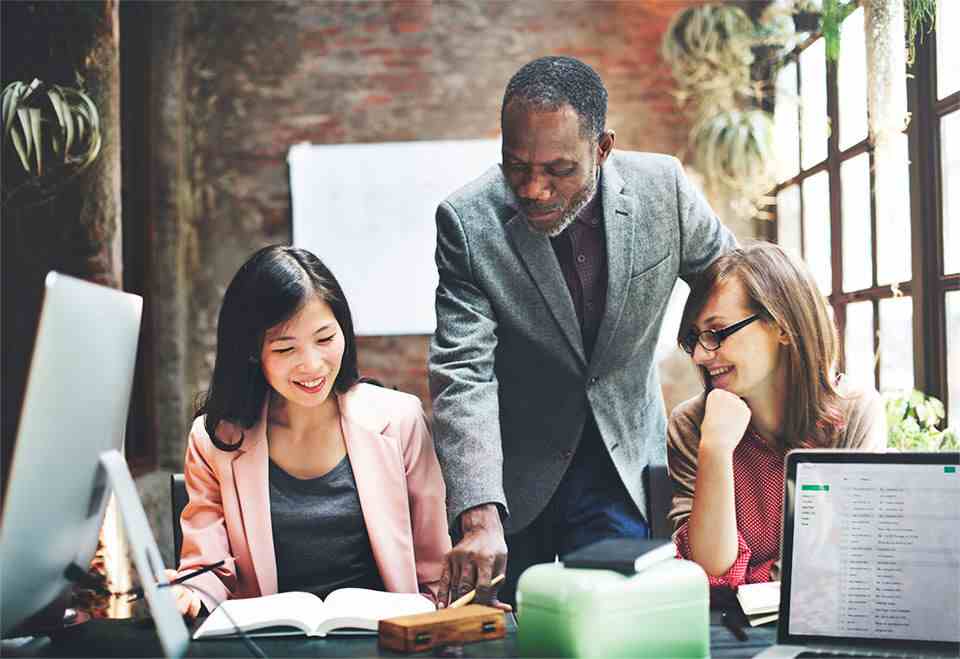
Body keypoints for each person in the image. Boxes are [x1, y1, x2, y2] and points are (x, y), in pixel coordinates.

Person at [429, 55, 736, 607]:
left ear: (602, 148)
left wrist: (733, 381)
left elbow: (737, 283)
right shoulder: (466, 222)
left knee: (614, 628)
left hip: (624, 468)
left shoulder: (663, 189)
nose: (535, 189)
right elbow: (462, 373)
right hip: (512, 482)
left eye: (559, 169)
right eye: (515, 165)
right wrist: (478, 514)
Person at [167, 245, 450, 617]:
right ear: (252, 352)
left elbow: (434, 572)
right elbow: (209, 571)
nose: (313, 365)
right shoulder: (213, 440)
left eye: (325, 339)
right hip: (269, 645)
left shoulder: (401, 420)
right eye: (286, 349)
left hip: (383, 640)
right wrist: (186, 595)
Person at [667, 241, 886, 594]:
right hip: (724, 631)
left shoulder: (855, 412)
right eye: (695, 338)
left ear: (781, 326)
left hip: (819, 625)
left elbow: (842, 564)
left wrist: (758, 578)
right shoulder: (692, 424)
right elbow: (709, 572)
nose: (699, 356)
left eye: (716, 333)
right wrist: (716, 450)